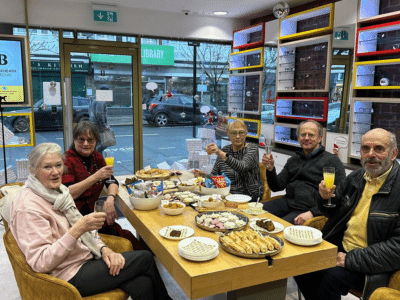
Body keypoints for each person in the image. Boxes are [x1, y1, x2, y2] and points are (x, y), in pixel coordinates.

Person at [9, 143, 172, 299]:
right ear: (33, 170)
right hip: (64, 276)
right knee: (145, 258)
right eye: (47, 167)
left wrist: (104, 249)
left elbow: (88, 233)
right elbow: (41, 262)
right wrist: (77, 230)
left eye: (58, 165)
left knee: (142, 284)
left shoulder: (60, 192)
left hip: (84, 258)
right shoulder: (28, 207)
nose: (55, 172)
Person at [295, 128, 400, 300]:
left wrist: (351, 259)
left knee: (329, 278)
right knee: (299, 265)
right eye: (365, 149)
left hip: (373, 264)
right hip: (341, 248)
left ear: (394, 153)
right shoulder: (358, 176)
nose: (370, 154)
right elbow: (334, 211)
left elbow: (397, 248)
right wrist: (324, 198)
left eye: (379, 149)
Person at [62, 121, 143, 250]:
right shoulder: (67, 160)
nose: (86, 144)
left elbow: (111, 181)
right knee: (127, 243)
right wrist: (96, 176)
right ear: (74, 140)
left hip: (94, 218)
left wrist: (110, 199)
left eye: (90, 140)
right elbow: (69, 193)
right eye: (81, 140)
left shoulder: (97, 157)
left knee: (131, 239)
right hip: (75, 223)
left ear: (96, 141)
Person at [262, 120, 345, 224]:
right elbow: (276, 187)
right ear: (298, 138)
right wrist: (270, 169)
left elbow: (340, 194)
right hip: (287, 203)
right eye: (303, 135)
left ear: (320, 138)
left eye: (311, 135)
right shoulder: (294, 160)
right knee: (256, 213)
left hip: (307, 210)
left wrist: (313, 212)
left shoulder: (332, 161)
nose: (306, 138)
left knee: (278, 227)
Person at [193, 119, 263, 200]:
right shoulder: (225, 150)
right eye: (234, 133)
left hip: (248, 196)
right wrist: (204, 175)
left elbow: (242, 167)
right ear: (228, 134)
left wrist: (220, 153)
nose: (237, 136)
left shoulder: (252, 149)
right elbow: (216, 177)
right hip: (226, 194)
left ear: (246, 133)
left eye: (241, 132)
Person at [89, 85, 112, 153]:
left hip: (93, 124)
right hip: (98, 126)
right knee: (105, 143)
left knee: (98, 143)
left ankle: (98, 160)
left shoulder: (93, 99)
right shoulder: (100, 100)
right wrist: (104, 126)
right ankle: (94, 153)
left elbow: (90, 111)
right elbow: (99, 114)